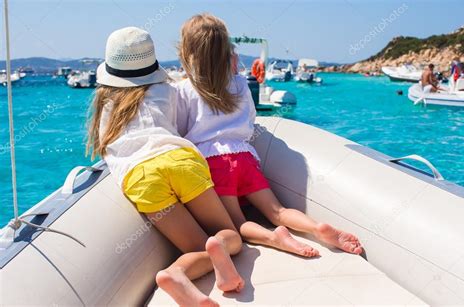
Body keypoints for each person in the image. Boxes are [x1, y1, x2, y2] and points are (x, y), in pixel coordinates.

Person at [176, 14, 363, 258]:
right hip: (244, 155)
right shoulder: (240, 83)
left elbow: (180, 133)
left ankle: (273, 237)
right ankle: (316, 228)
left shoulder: (184, 89)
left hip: (214, 163)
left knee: (236, 225)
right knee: (278, 211)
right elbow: (250, 120)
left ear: (188, 51)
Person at [86, 27, 245, 307]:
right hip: (179, 160)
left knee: (196, 248)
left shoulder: (104, 100)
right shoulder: (166, 89)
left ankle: (176, 274)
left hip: (141, 175)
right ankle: (200, 259)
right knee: (230, 237)